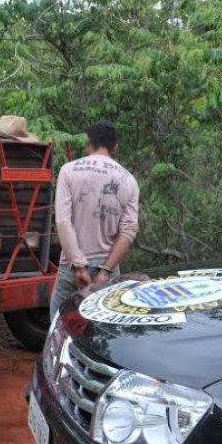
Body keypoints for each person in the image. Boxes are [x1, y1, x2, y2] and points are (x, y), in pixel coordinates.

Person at [50, 119, 140, 319]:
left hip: (71, 267)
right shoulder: (129, 180)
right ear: (115, 146)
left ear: (88, 142)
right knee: (102, 329)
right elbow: (128, 230)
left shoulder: (68, 171)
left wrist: (79, 266)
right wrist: (105, 271)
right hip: (106, 266)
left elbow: (63, 221)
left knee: (59, 324)